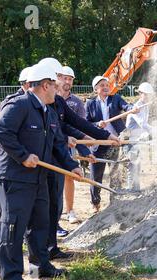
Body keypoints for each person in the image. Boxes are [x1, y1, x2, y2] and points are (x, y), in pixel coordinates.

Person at [0, 63, 82, 280]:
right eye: (55, 86)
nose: (58, 91)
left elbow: (58, 143)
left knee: (41, 222)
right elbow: (0, 131)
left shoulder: (48, 111)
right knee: (14, 225)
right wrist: (22, 156)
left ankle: (41, 264)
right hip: (15, 178)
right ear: (45, 85)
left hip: (38, 178)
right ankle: (12, 277)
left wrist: (73, 166)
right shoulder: (20, 105)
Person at [38, 58, 114, 260]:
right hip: (39, 162)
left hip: (57, 156)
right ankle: (37, 252)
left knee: (54, 202)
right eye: (58, 80)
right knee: (40, 205)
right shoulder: (28, 105)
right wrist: (73, 142)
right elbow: (53, 133)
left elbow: (74, 124)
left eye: (68, 79)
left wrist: (103, 137)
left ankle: (50, 248)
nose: (62, 84)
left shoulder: (59, 102)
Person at [0, 66, 30, 256]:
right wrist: (22, 154)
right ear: (26, 84)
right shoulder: (13, 102)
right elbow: (2, 133)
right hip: (9, 162)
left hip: (23, 163)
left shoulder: (35, 102)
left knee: (14, 207)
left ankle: (15, 239)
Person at [85, 76, 137, 212]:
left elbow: (126, 106)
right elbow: (85, 123)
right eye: (102, 85)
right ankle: (95, 203)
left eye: (107, 84)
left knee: (115, 172)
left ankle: (115, 201)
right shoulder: (90, 104)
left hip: (115, 142)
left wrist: (133, 108)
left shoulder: (116, 99)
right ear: (96, 89)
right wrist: (97, 124)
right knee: (96, 176)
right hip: (99, 143)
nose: (106, 87)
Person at [59, 66, 86, 225]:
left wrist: (84, 150)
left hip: (69, 146)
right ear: (58, 78)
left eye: (70, 79)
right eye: (65, 78)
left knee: (69, 176)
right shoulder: (50, 97)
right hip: (54, 143)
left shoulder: (76, 102)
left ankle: (70, 211)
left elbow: (81, 128)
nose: (68, 81)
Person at [122, 82, 154, 191]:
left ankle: (136, 188)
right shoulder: (137, 107)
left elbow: (144, 125)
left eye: (149, 95)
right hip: (128, 139)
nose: (148, 97)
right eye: (146, 94)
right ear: (140, 94)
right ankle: (131, 189)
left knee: (137, 164)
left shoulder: (146, 107)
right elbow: (142, 124)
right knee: (132, 165)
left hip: (136, 139)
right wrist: (156, 130)